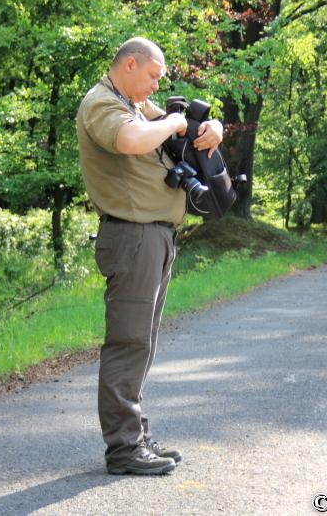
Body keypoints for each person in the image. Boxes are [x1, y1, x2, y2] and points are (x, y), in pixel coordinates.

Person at [76, 37, 224, 475]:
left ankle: (135, 435)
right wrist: (174, 120)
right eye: (152, 76)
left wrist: (214, 128)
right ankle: (123, 449)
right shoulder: (103, 103)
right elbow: (130, 140)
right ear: (129, 64)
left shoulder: (136, 104)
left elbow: (187, 130)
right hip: (131, 237)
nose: (156, 85)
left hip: (155, 237)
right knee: (128, 343)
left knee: (143, 343)